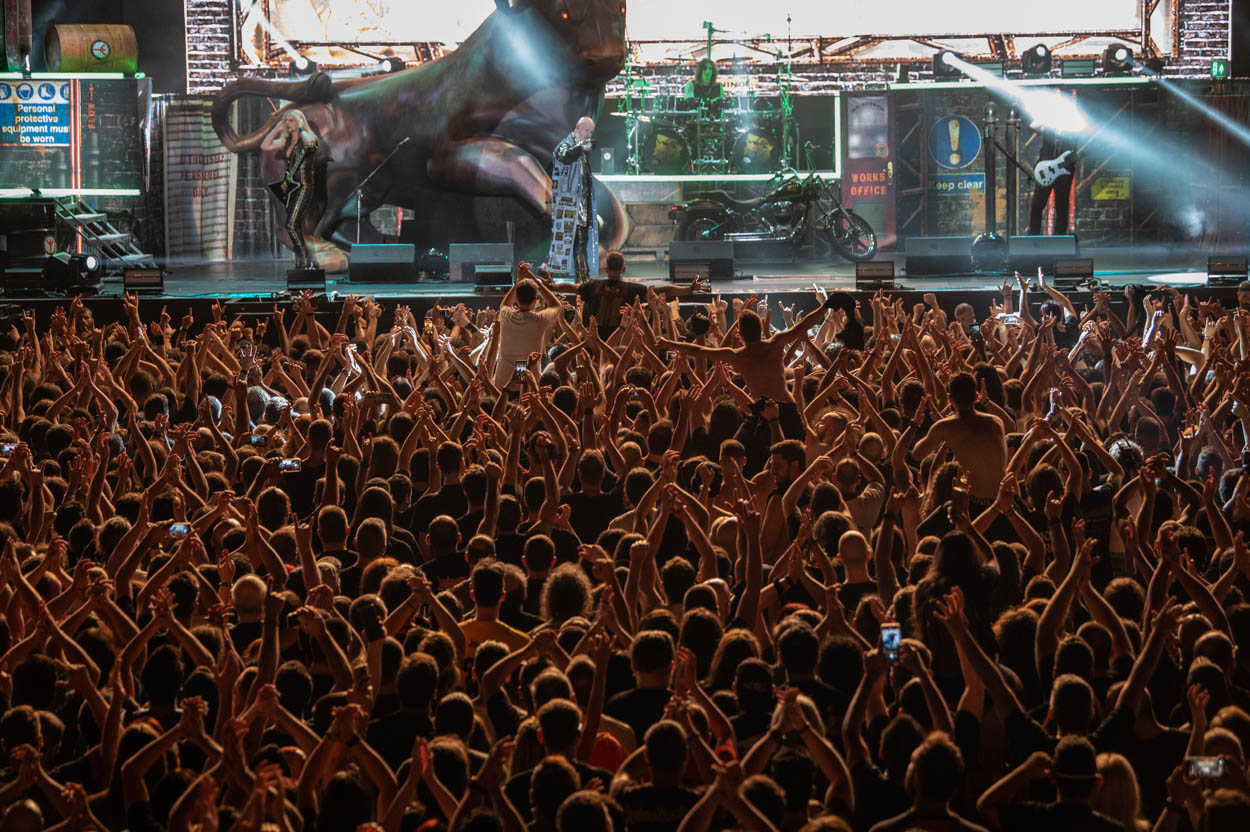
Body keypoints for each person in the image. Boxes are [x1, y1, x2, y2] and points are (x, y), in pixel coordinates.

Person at [262, 108, 320, 269]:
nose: (288, 123)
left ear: (299, 121)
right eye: (286, 120)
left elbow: (310, 143)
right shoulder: (286, 141)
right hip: (291, 189)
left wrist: (301, 128)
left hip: (304, 186)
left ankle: (304, 260)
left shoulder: (307, 138)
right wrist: (276, 129)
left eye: (291, 120)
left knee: (291, 224)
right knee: (294, 225)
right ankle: (306, 261)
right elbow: (265, 146)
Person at [547, 116, 599, 283]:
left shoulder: (582, 150)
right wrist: (580, 147)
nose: (588, 135)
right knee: (576, 240)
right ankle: (581, 277)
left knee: (582, 241)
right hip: (571, 204)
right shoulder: (566, 145)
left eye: (591, 132)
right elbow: (565, 156)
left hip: (582, 204)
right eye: (586, 130)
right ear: (577, 128)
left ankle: (583, 275)